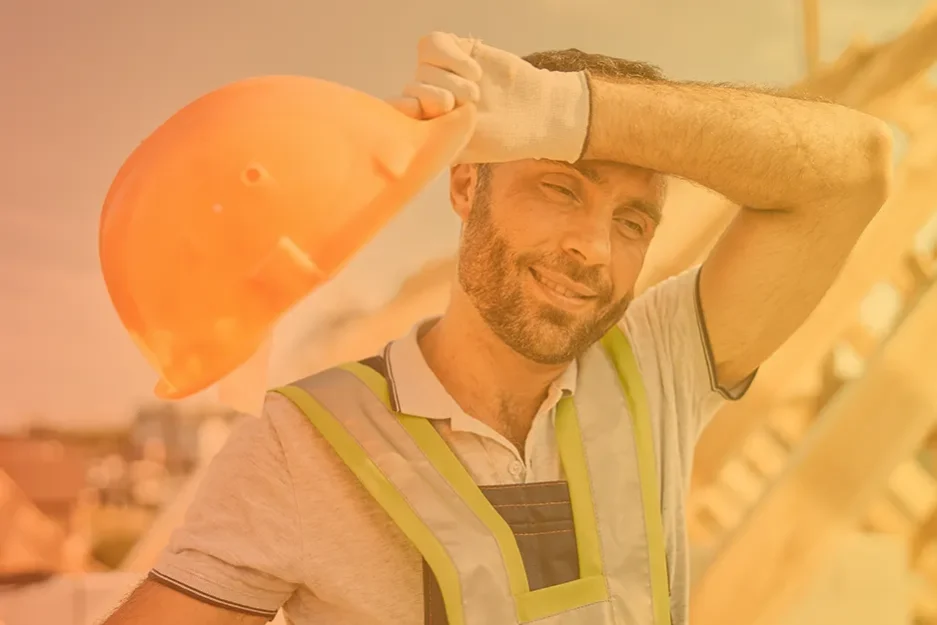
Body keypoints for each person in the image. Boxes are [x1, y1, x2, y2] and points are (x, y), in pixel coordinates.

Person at [103, 31, 892, 625]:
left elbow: (854, 168)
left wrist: (565, 113)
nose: (593, 247)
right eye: (559, 188)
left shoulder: (657, 364)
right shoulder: (299, 445)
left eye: (632, 221)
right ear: (464, 185)